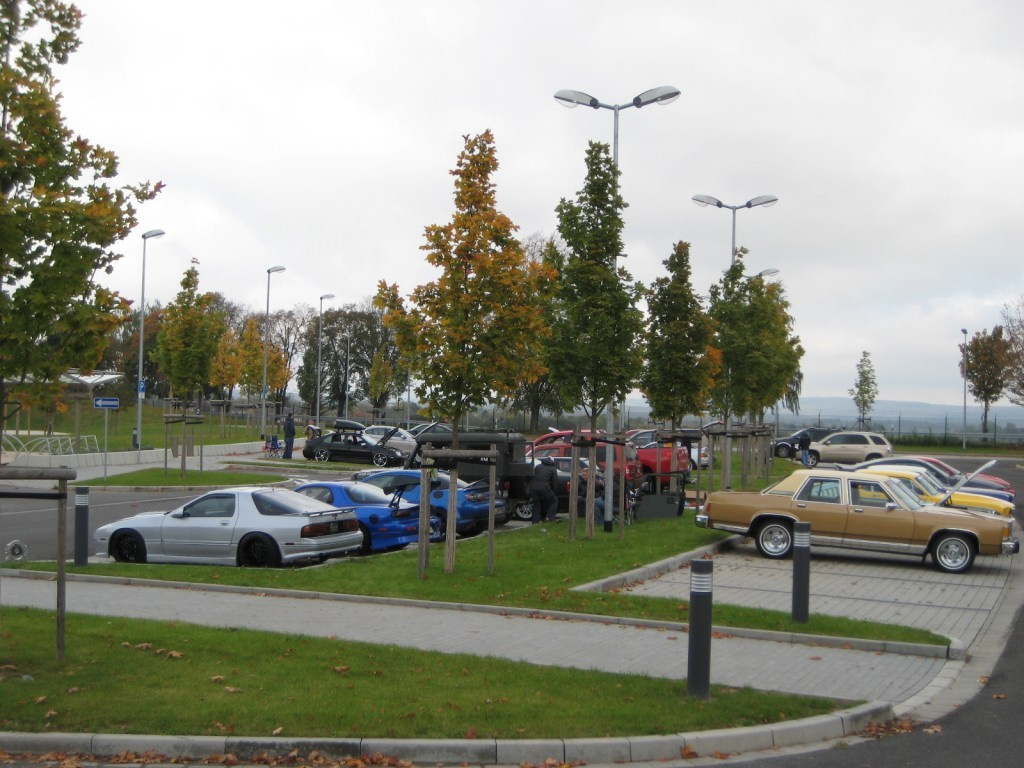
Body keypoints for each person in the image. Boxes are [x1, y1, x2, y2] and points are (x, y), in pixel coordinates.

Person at [529, 456, 559, 524]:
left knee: (536, 505)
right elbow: (554, 482)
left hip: (534, 488)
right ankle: (549, 517)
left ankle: (535, 522)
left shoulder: (538, 466)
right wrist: (554, 492)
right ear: (552, 462)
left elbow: (532, 476)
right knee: (554, 501)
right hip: (545, 488)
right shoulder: (553, 469)